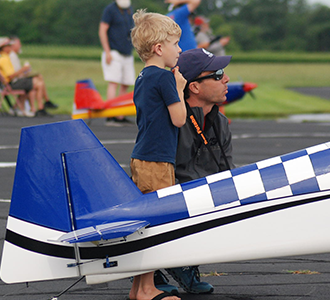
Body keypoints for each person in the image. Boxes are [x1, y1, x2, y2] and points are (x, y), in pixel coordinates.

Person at [157, 48, 234, 295]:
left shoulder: (220, 121)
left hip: (202, 195)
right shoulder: (169, 121)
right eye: (218, 74)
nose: (226, 79)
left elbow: (227, 169)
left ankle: (185, 261)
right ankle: (152, 268)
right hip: (168, 197)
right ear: (195, 87)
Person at [128, 9, 185, 300]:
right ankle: (147, 289)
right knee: (156, 223)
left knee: (144, 222)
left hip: (141, 156)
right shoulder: (164, 79)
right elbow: (179, 119)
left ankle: (139, 287)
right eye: (176, 44)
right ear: (159, 48)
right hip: (158, 160)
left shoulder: (142, 77)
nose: (180, 49)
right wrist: (180, 89)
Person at [99, 0, 136, 126]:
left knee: (126, 83)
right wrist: (107, 51)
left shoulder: (129, 9)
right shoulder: (110, 9)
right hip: (114, 52)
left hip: (127, 52)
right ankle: (111, 115)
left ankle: (120, 115)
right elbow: (102, 30)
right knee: (113, 82)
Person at [0, 37, 50, 117]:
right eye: (8, 46)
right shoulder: (4, 59)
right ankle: (40, 107)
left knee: (35, 83)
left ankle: (27, 108)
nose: (10, 48)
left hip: (10, 83)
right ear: (3, 48)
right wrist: (23, 69)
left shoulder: (4, 58)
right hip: (11, 84)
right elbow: (11, 76)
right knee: (38, 83)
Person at [8, 36, 58, 112]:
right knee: (39, 84)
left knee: (38, 78)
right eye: (19, 44)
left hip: (16, 81)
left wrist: (25, 72)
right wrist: (24, 69)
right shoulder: (12, 56)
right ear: (13, 45)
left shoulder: (14, 56)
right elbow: (13, 75)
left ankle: (38, 106)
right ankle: (42, 106)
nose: (20, 46)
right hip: (14, 82)